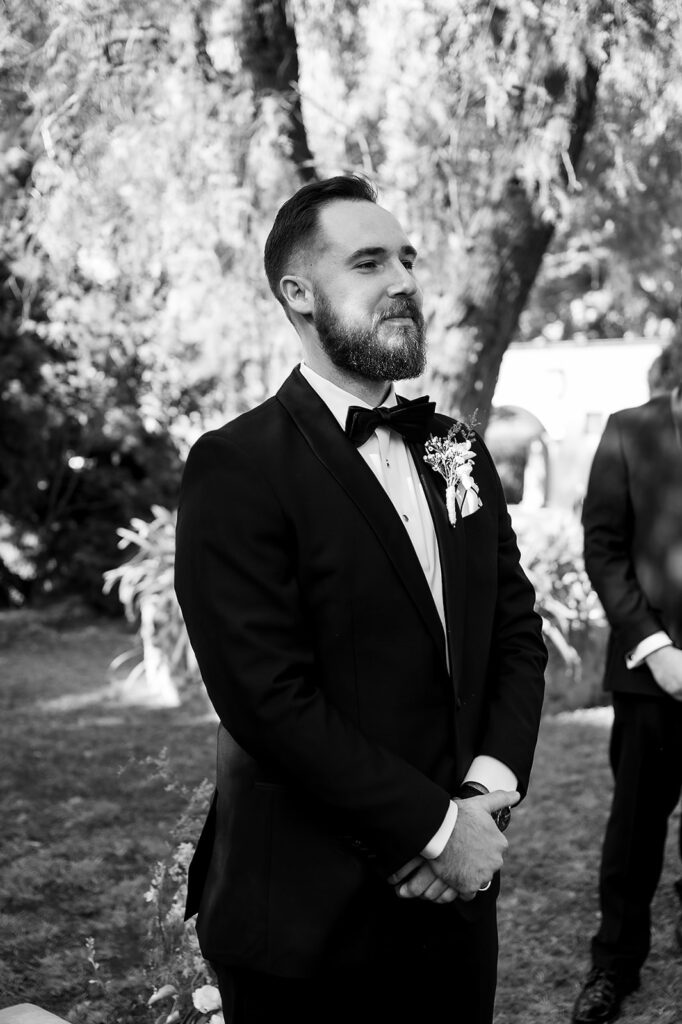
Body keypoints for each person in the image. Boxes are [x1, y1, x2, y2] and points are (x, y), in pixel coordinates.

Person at [174, 174, 546, 1024]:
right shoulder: (237, 467)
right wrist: (434, 831)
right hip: (307, 925)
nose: (404, 280)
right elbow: (267, 698)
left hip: (456, 910)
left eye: (408, 259)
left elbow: (517, 637)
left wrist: (483, 799)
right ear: (298, 293)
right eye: (370, 261)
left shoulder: (459, 452)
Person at [572, 349, 682, 1024]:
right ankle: (614, 966)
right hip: (653, 680)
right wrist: (657, 647)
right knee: (635, 833)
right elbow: (603, 548)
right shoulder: (628, 431)